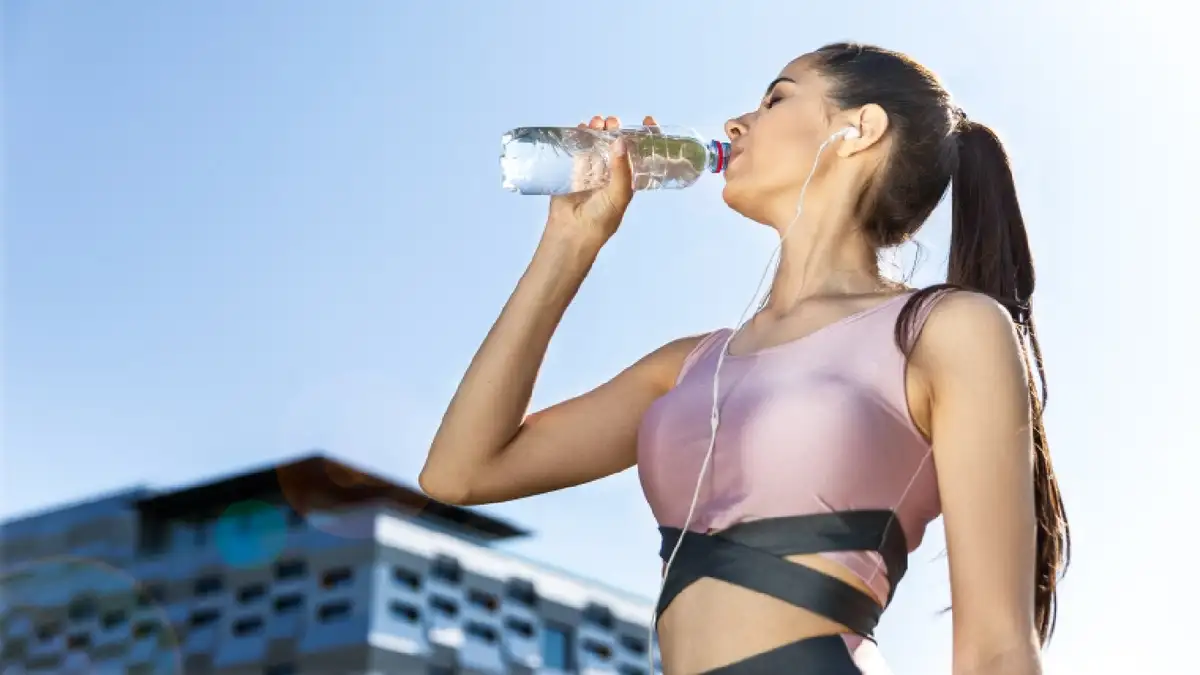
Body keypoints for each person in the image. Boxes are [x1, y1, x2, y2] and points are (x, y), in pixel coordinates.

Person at [420, 42, 1069, 675]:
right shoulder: (687, 365)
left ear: (859, 128)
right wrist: (569, 245)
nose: (737, 123)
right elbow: (460, 472)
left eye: (776, 99)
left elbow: (995, 649)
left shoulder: (946, 330)